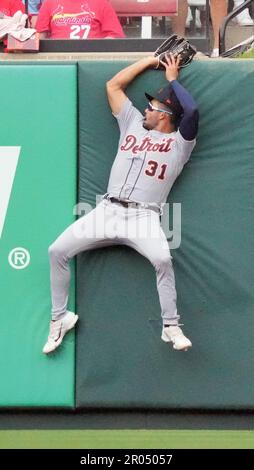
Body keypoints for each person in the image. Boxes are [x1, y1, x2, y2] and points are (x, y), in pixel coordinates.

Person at [43, 53, 199, 355]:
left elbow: (191, 110)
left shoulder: (180, 144)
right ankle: (59, 318)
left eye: (151, 105)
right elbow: (113, 86)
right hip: (107, 210)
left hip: (144, 217)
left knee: (163, 260)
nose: (145, 108)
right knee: (56, 251)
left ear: (165, 113)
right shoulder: (133, 125)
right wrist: (149, 61)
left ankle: (171, 326)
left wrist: (172, 80)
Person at [35, 0, 125, 39]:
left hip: (91, 57)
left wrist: (98, 51)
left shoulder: (101, 3)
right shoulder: (49, 3)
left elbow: (116, 37)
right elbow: (40, 38)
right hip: (58, 57)